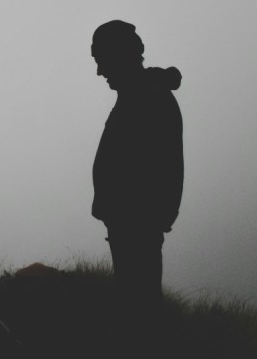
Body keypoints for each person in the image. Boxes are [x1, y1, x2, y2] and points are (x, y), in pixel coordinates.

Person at [90, 19, 184, 350]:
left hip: (137, 225)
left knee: (143, 309)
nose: (100, 72)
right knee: (135, 305)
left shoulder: (150, 99)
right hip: (128, 223)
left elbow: (163, 167)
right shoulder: (136, 95)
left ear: (120, 56)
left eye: (102, 60)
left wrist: (145, 218)